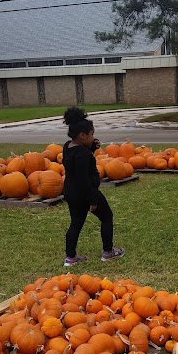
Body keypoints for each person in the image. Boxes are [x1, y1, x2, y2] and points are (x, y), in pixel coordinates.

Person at [62, 106, 125, 267]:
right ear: (83, 135)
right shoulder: (83, 154)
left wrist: (92, 146)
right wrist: (93, 199)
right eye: (91, 134)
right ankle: (108, 252)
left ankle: (70, 257)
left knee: (76, 223)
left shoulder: (68, 146)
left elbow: (79, 156)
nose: (93, 136)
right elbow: (84, 179)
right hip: (86, 193)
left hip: (71, 193)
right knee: (107, 217)